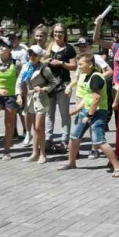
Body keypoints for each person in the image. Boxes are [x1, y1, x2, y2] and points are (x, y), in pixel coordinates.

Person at [61, 54, 119, 176]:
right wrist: (77, 109)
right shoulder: (85, 76)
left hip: (98, 112)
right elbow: (87, 96)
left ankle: (117, 167)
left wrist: (89, 116)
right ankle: (71, 163)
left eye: (80, 64)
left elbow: (96, 98)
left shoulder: (96, 77)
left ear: (90, 64)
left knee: (99, 141)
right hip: (87, 110)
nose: (78, 67)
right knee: (74, 136)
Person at [18, 45, 58, 164]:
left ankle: (42, 154)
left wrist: (44, 89)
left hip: (41, 99)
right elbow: (19, 82)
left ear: (40, 56)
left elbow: (54, 82)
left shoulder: (44, 68)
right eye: (30, 54)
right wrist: (19, 95)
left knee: (39, 127)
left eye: (34, 54)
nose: (32, 56)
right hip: (30, 99)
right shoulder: (26, 66)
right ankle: (34, 153)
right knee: (34, 128)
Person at [44, 23, 77, 152]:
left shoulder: (69, 48)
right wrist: (45, 62)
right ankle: (48, 139)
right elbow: (41, 61)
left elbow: (74, 66)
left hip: (63, 84)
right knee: (49, 114)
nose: (58, 34)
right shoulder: (49, 46)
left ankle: (65, 140)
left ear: (65, 34)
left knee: (64, 114)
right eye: (56, 32)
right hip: (49, 85)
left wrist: (61, 63)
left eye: (60, 32)